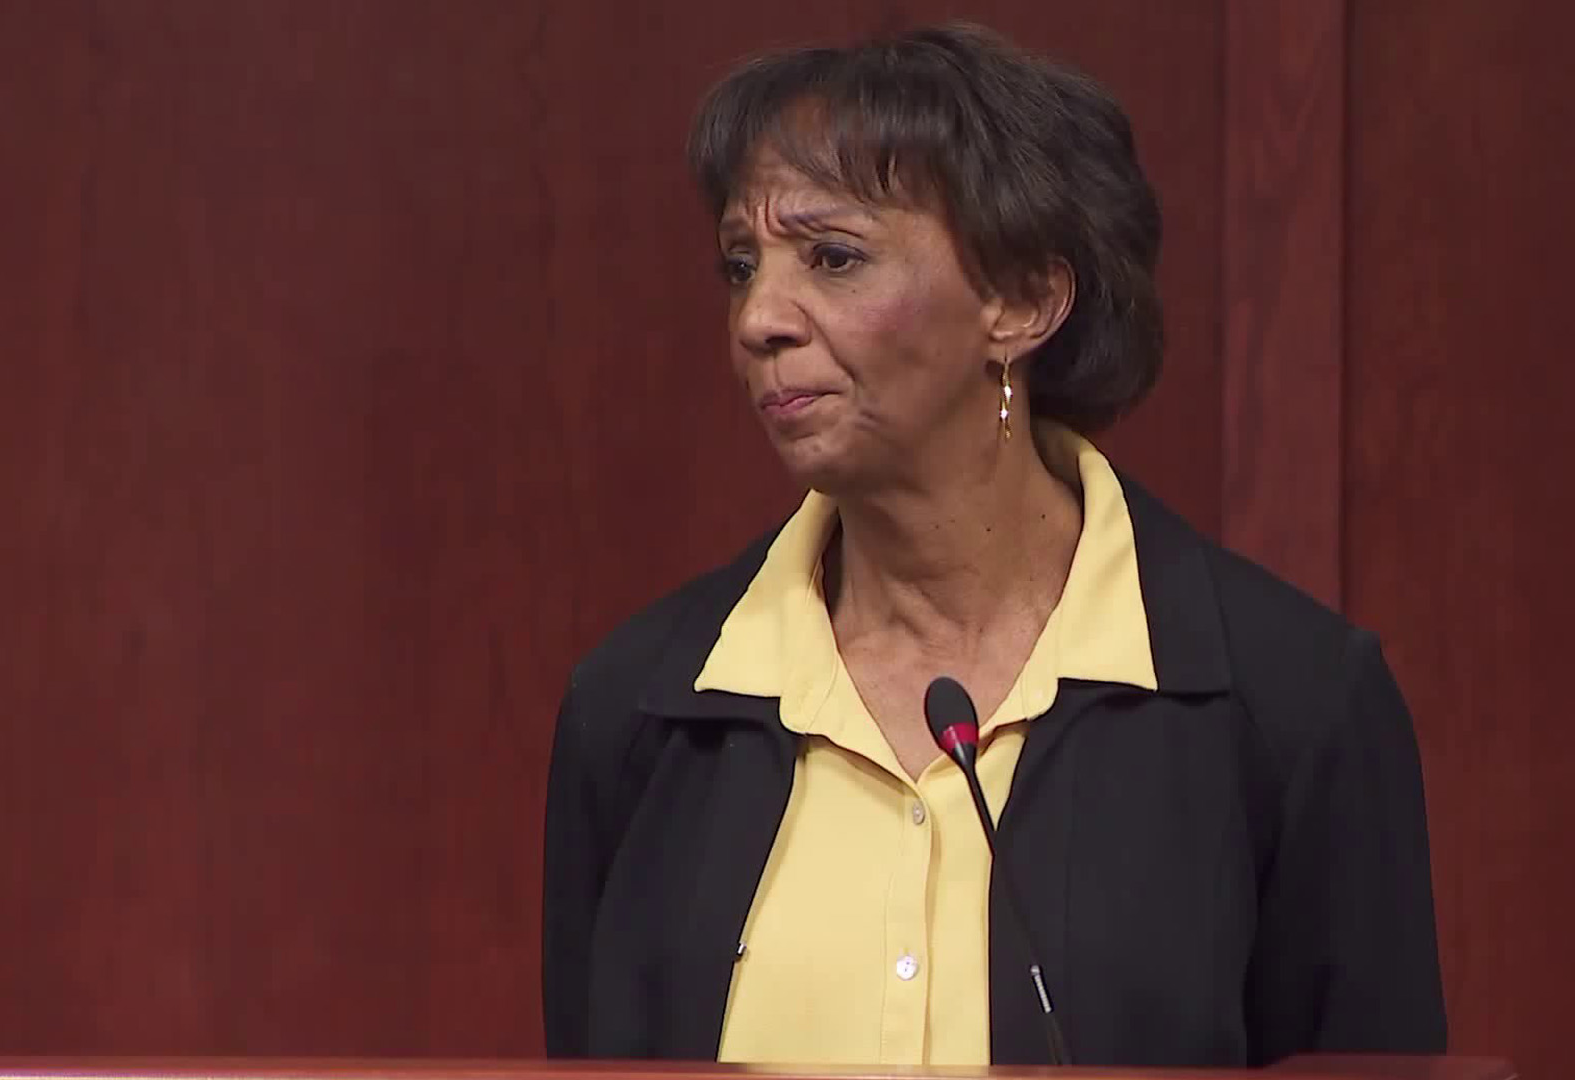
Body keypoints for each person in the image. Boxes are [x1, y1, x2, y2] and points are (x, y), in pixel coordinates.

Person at [542, 22, 1446, 1068]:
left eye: (831, 257)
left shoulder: (1291, 703)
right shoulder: (641, 711)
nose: (759, 318)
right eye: (742, 265)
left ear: (1021, 301)